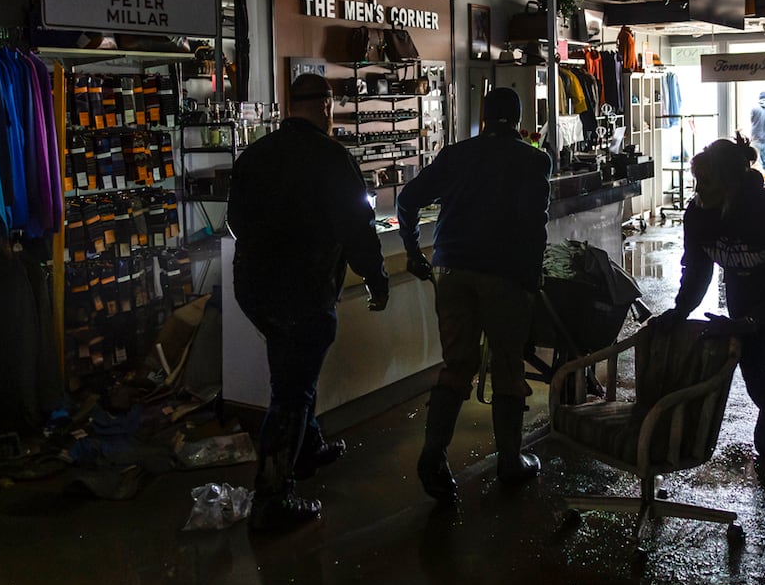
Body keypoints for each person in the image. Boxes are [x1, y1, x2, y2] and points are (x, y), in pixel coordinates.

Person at [226, 72, 390, 532]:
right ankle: (272, 497)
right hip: (303, 289)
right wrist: (375, 278)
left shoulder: (255, 154)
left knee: (291, 365)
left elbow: (235, 220)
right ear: (326, 105)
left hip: (255, 290)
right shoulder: (332, 158)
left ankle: (308, 448)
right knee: (292, 391)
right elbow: (358, 227)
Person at [396, 87, 552, 505]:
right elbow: (535, 226)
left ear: (482, 119)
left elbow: (407, 201)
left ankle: (433, 453)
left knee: (456, 364)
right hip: (505, 275)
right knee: (507, 364)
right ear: (519, 122)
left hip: (453, 271)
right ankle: (510, 461)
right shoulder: (534, 160)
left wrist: (414, 254)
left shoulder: (456, 154)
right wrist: (533, 277)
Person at [658, 133, 765, 510]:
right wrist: (679, 311)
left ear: (729, 182)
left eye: (705, 182)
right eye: (695, 180)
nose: (697, 189)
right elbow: (697, 268)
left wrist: (750, 321)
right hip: (745, 283)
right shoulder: (698, 214)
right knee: (751, 366)